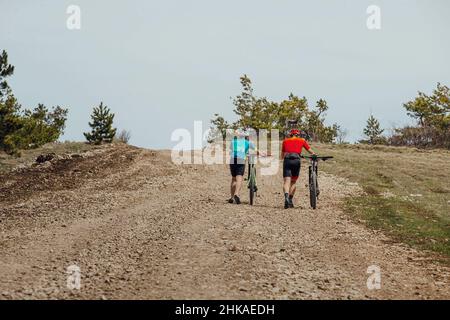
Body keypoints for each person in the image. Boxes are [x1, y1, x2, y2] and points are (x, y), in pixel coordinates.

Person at [280, 129, 316, 209]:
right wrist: (314, 154)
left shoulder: (285, 141)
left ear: (290, 134)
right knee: (293, 182)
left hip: (287, 160)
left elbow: (282, 155)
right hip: (296, 160)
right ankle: (290, 199)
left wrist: (282, 158)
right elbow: (310, 151)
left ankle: (286, 197)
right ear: (298, 135)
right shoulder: (302, 140)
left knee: (287, 182)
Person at [228, 129, 256, 204]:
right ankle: (236, 194)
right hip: (241, 159)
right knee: (239, 178)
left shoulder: (233, 141)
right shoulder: (248, 142)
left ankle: (231, 197)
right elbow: (255, 150)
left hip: (232, 159)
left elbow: (231, 150)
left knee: (233, 178)